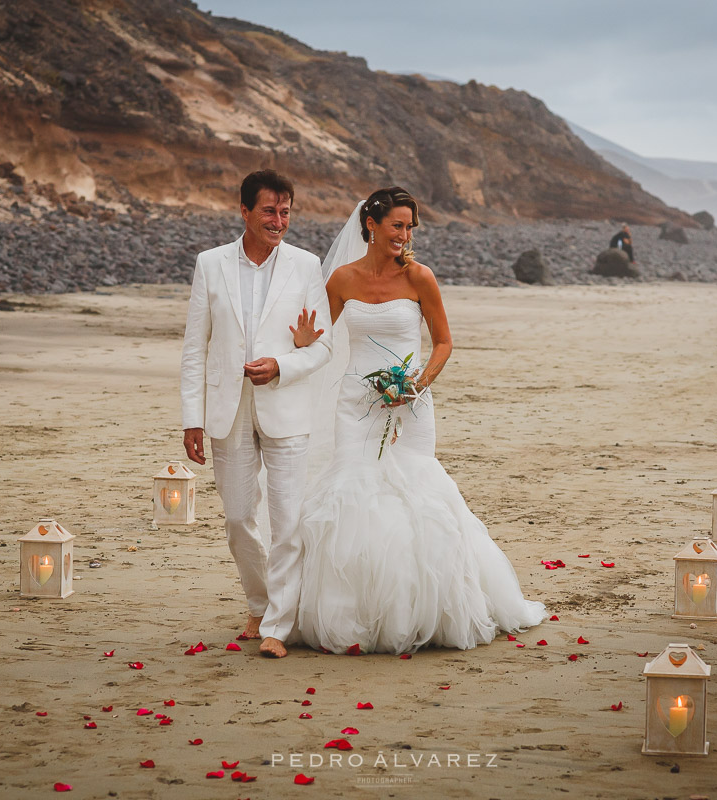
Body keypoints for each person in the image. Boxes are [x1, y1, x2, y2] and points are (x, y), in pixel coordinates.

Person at [289, 187, 546, 655]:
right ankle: (352, 613)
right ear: (371, 225)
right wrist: (306, 340)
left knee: (416, 491)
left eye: (410, 228)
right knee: (352, 490)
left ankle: (417, 610)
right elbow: (322, 342)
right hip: (354, 404)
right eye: (397, 226)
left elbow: (444, 342)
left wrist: (417, 385)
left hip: (409, 404)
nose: (404, 236)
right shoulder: (341, 279)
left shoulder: (420, 278)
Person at [179, 170, 333, 659]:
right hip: (227, 409)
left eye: (286, 212)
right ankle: (259, 601)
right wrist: (192, 418)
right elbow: (193, 347)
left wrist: (283, 366)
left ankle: (278, 626)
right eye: (269, 211)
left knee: (286, 521)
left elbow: (323, 346)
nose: (279, 221)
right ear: (244, 211)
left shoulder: (307, 267)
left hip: (285, 406)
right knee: (240, 518)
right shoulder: (210, 263)